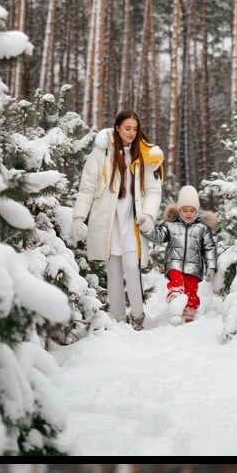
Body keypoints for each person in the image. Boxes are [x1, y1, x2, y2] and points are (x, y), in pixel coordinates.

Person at [72, 112, 164, 329]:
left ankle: (138, 316)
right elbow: (87, 186)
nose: (131, 133)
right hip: (108, 221)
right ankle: (119, 318)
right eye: (127, 128)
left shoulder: (146, 154)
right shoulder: (101, 153)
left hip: (132, 220)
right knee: (113, 271)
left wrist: (149, 215)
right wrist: (78, 216)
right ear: (117, 128)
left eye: (134, 128)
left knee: (132, 267)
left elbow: (153, 190)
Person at [140, 184, 218, 322]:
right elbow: (158, 236)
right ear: (179, 210)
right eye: (185, 210)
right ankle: (175, 304)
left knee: (191, 291)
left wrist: (211, 266)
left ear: (197, 211)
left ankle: (189, 312)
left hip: (194, 268)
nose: (188, 213)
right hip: (174, 263)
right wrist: (146, 228)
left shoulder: (202, 228)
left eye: (192, 210)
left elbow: (209, 248)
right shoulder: (170, 225)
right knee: (176, 282)